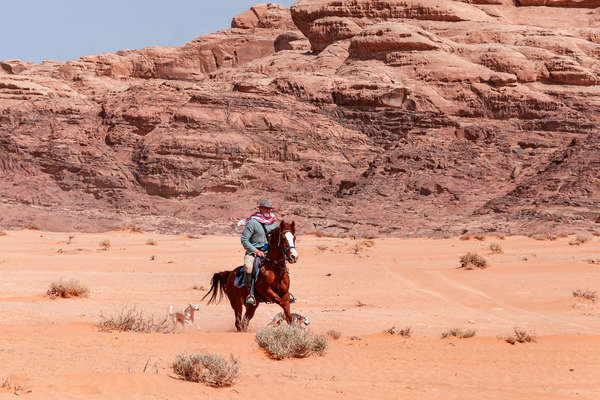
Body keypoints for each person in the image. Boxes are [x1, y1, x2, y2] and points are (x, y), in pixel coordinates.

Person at [239, 199, 278, 306]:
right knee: (248, 266)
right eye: (266, 208)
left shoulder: (273, 223)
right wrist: (256, 251)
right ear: (260, 209)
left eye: (269, 208)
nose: (268, 210)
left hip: (269, 253)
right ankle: (250, 294)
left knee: (283, 265)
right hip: (254, 252)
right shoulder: (252, 222)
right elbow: (244, 240)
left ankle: (285, 291)